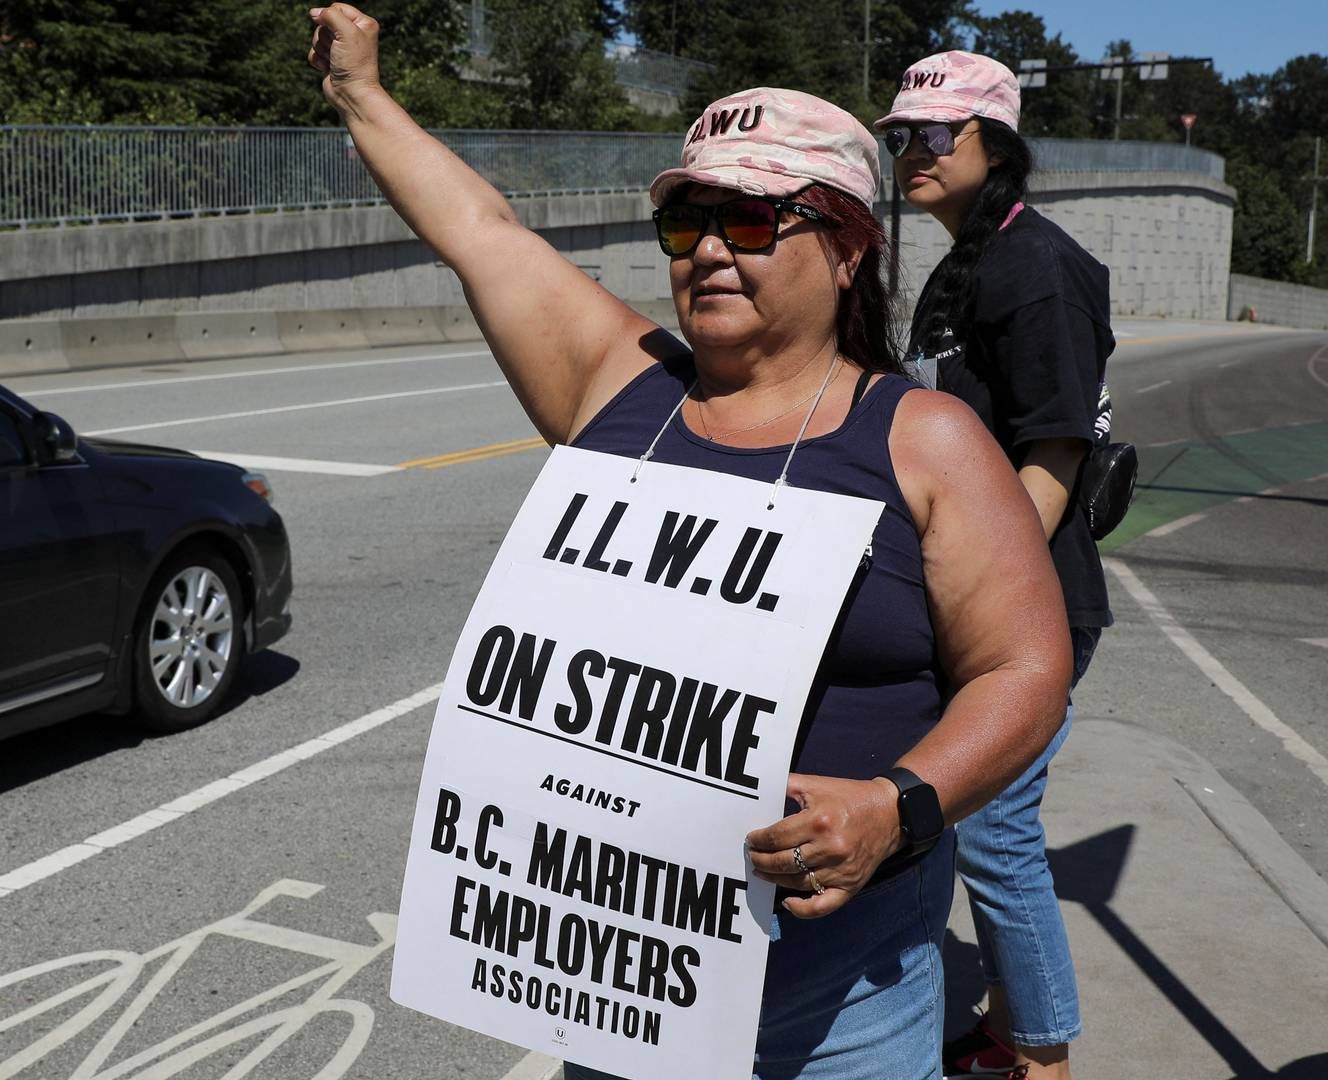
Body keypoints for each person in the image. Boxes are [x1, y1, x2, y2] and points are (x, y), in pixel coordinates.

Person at [307, 7, 1073, 1078]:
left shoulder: (924, 440)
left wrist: (897, 807)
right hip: (626, 983)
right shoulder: (624, 389)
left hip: (838, 1004)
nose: (711, 247)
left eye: (755, 221)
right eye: (689, 221)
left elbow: (1025, 667)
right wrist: (359, 93)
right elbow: (481, 232)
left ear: (849, 247)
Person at [881, 50, 1115, 1080]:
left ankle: (1043, 1053)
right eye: (900, 136)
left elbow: (1055, 451)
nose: (911, 153)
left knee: (994, 827)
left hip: (1028, 607)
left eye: (935, 134)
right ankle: (1014, 1025)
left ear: (997, 145)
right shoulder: (967, 263)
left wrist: (984, 601)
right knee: (981, 819)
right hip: (972, 591)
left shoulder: (1037, 270)